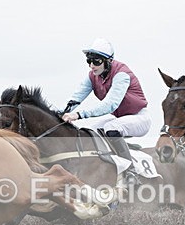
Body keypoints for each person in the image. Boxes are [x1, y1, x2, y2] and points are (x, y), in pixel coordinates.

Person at [61, 38, 151, 183]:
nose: (91, 65)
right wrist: (59, 113)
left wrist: (79, 114)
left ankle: (130, 171)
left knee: (111, 127)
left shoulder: (121, 74)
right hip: (118, 118)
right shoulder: (92, 76)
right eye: (89, 61)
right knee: (88, 130)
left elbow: (110, 105)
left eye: (96, 61)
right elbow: (76, 99)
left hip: (139, 117)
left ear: (108, 61)